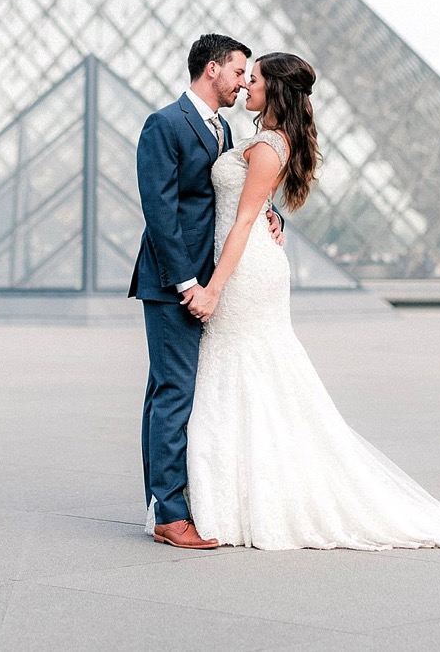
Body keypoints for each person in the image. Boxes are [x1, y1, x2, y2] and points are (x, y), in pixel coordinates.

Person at [184, 52, 440, 550]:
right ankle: (244, 494)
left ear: (275, 92)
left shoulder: (264, 146)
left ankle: (241, 496)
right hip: (247, 262)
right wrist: (271, 215)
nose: (245, 87)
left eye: (254, 79)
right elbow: (254, 207)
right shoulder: (269, 142)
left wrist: (214, 288)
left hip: (243, 272)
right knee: (251, 375)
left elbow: (241, 220)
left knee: (243, 371)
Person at [130, 34, 281, 550]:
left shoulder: (222, 128)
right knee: (173, 393)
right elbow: (160, 213)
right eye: (240, 71)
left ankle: (162, 504)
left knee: (167, 391)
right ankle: (170, 514)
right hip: (176, 280)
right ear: (213, 69)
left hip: (204, 278)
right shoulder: (165, 125)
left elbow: (234, 191)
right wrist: (190, 283)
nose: (244, 82)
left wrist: (269, 212)